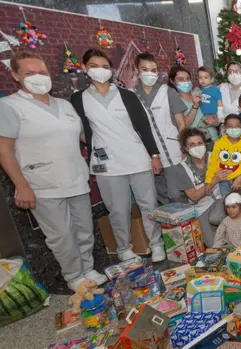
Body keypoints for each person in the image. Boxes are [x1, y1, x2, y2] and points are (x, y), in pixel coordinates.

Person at [0, 51, 107, 291]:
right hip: (42, 183)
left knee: (84, 229)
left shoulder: (64, 105)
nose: (38, 77)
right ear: (16, 76)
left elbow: (83, 136)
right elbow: (3, 151)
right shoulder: (8, 106)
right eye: (29, 73)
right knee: (61, 235)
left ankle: (88, 269)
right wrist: (21, 186)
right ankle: (74, 276)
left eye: (42, 72)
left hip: (75, 177)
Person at [70, 49, 165, 262]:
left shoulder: (126, 96)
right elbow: (78, 130)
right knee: (118, 209)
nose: (100, 70)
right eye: (94, 66)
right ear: (84, 68)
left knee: (149, 205)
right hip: (107, 165)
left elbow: (144, 127)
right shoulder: (79, 99)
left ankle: (156, 244)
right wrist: (95, 143)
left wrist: (154, 155)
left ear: (111, 70)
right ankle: (124, 248)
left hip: (137, 158)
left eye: (105, 67)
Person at [132, 52, 186, 204]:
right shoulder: (131, 95)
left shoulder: (167, 91)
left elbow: (181, 124)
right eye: (144, 69)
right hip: (145, 153)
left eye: (153, 70)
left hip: (172, 149)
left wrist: (184, 147)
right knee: (156, 194)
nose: (149, 73)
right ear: (136, 70)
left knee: (176, 193)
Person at [167, 128, 226, 245]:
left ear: (205, 143)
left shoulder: (216, 156)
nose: (197, 147)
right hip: (201, 208)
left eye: (199, 143)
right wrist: (215, 180)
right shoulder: (181, 168)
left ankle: (230, 228)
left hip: (221, 199)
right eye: (192, 145)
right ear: (185, 148)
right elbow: (194, 197)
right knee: (213, 245)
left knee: (215, 217)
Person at [205, 114, 241, 199]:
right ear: (224, 127)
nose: (234, 129)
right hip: (223, 182)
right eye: (230, 126)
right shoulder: (218, 143)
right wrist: (209, 181)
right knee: (226, 204)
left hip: (239, 182)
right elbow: (212, 164)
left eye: (237, 126)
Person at [170, 66, 217, 142]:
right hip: (197, 143)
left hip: (215, 138)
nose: (185, 82)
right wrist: (195, 106)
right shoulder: (176, 101)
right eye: (180, 79)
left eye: (187, 79)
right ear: (172, 81)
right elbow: (184, 126)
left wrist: (215, 122)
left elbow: (216, 116)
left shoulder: (200, 93)